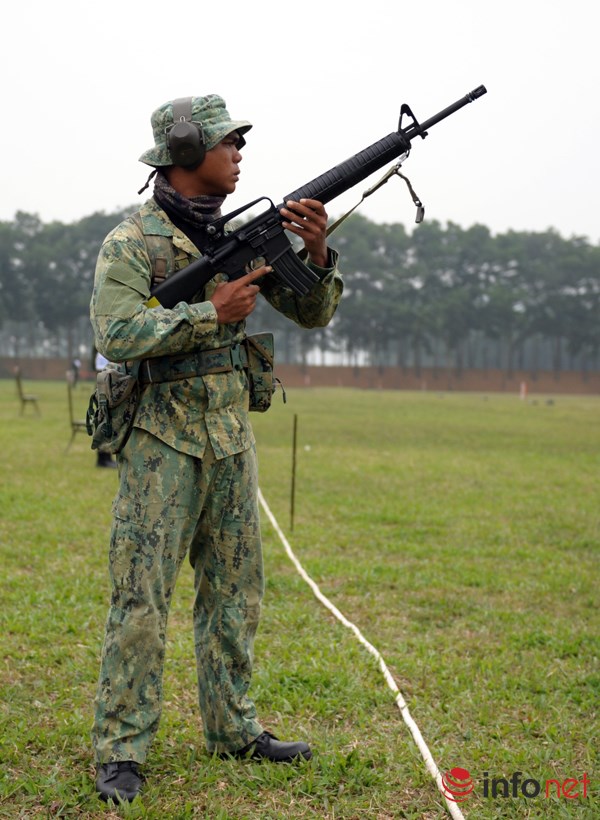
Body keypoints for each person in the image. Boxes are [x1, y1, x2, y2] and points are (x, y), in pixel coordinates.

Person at [90, 93, 343, 802]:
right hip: (160, 439)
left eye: (240, 143)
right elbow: (115, 336)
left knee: (235, 594)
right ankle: (122, 749)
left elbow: (313, 312)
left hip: (231, 437)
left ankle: (234, 729)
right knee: (141, 597)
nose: (239, 153)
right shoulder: (132, 242)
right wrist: (212, 313)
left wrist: (315, 252)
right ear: (184, 150)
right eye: (227, 142)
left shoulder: (242, 233)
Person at [93, 349, 117, 468]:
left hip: (108, 387)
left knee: (108, 425)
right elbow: (102, 370)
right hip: (104, 389)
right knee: (104, 424)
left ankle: (107, 457)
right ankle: (103, 459)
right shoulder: (103, 352)